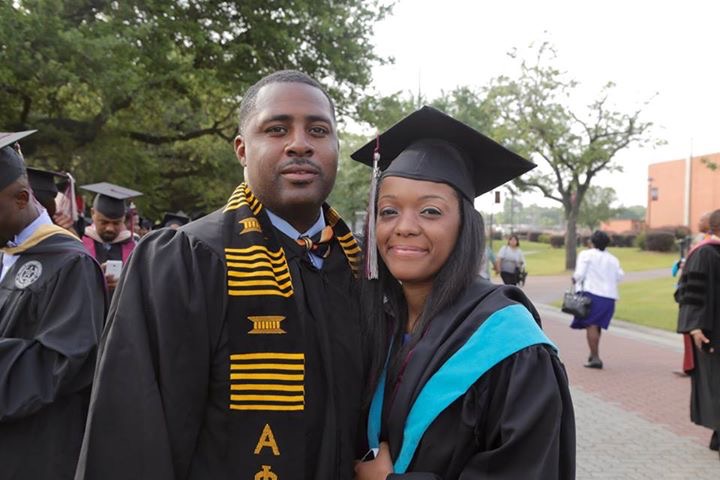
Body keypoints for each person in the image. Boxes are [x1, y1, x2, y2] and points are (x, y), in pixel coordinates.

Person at [75, 70, 365, 479]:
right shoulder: (185, 260)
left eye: (318, 130)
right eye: (277, 129)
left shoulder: (358, 269)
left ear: (335, 146)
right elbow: (133, 432)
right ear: (242, 150)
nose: (300, 144)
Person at [351, 106, 575, 479]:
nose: (404, 227)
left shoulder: (511, 345)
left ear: (464, 225)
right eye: (388, 211)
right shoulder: (381, 320)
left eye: (431, 212)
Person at [0, 131, 107, 479]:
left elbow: (65, 360)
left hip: (32, 446)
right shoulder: (6, 252)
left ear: (20, 198)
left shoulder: (69, 263)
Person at [676, 208, 720, 458]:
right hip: (712, 332)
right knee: (715, 385)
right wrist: (694, 326)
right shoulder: (705, 253)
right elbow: (690, 292)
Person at [569, 230, 624, 369]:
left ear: (591, 242)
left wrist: (574, 279)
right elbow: (620, 276)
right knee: (597, 325)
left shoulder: (586, 255)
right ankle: (593, 353)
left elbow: (579, 274)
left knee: (591, 325)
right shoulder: (613, 259)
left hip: (592, 294)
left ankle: (595, 357)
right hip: (609, 297)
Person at [80, 182, 142, 293]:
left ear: (124, 218)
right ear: (93, 213)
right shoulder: (79, 241)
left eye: (116, 223)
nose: (110, 228)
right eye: (104, 222)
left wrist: (123, 285)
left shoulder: (135, 245)